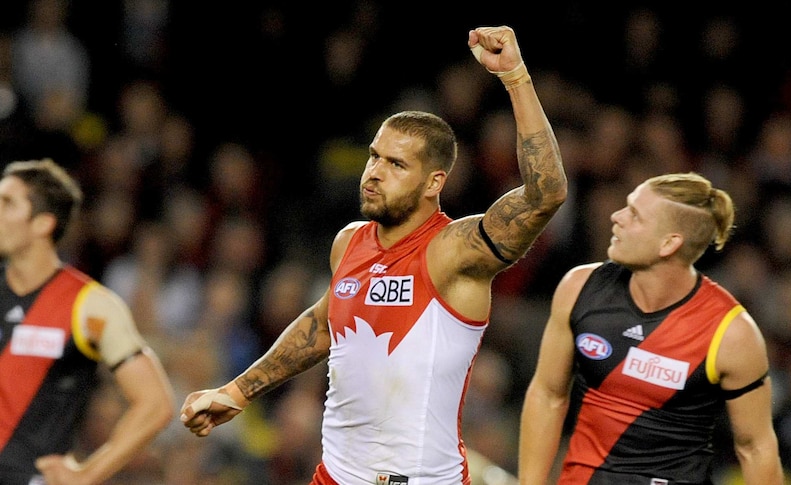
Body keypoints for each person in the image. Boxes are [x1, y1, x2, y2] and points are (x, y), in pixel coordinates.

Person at [180, 25, 567, 485]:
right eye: (374, 157)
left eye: (396, 164)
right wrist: (238, 392)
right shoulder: (349, 241)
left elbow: (545, 195)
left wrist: (516, 78)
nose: (375, 173)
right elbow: (324, 324)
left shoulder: (453, 252)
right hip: (334, 476)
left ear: (434, 183)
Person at [518, 172, 784, 484]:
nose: (616, 217)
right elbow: (548, 395)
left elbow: (755, 448)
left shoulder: (731, 333)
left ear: (669, 243)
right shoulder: (580, 288)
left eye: (634, 215)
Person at [0, 158, 175, 484]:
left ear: (42, 224)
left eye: (7, 203)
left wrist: (88, 474)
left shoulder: (90, 306)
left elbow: (155, 404)